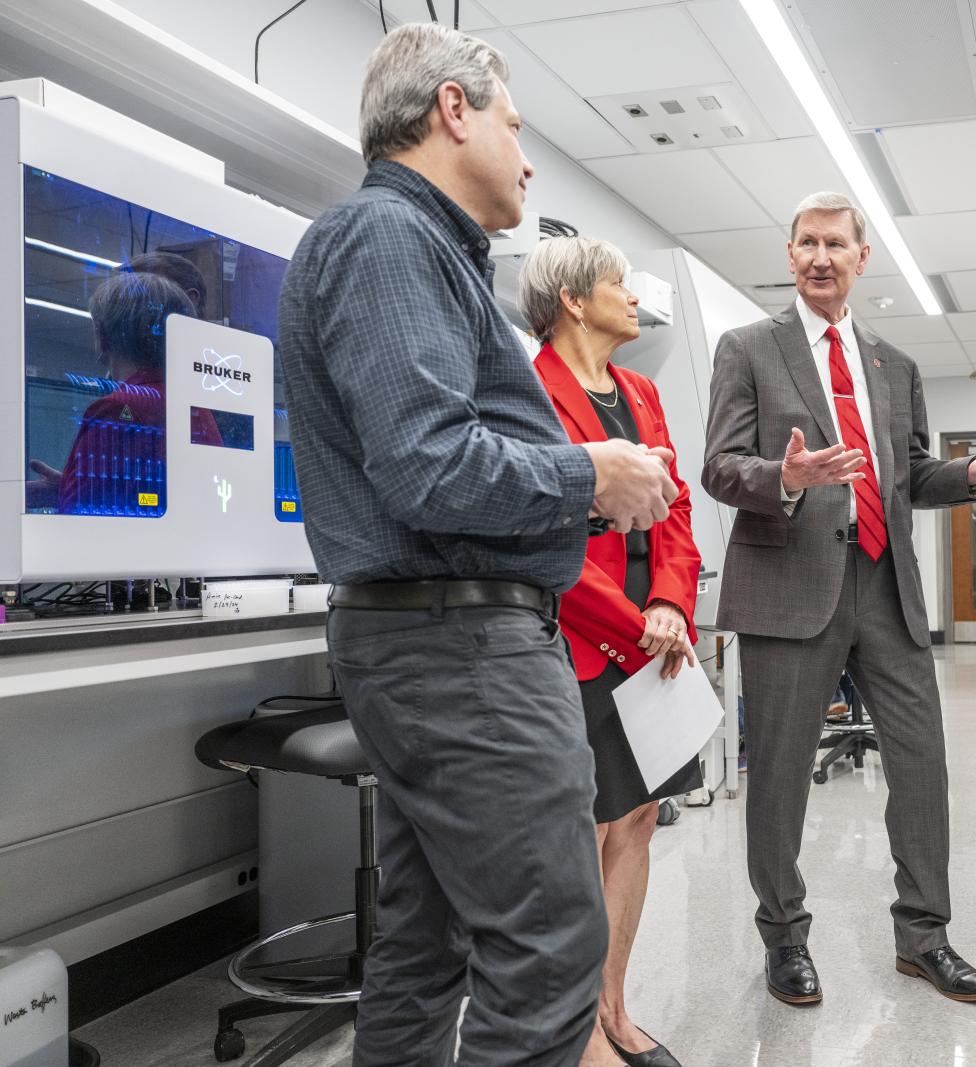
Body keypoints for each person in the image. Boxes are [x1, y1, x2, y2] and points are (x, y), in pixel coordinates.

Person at [276, 24, 679, 1066]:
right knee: (549, 947)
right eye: (514, 122)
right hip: (459, 648)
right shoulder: (386, 241)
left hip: (439, 644)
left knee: (424, 941)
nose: (528, 153)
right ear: (452, 109)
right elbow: (427, 465)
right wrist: (595, 473)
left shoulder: (423, 257)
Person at [702, 190, 976, 1006]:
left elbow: (912, 475)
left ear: (862, 258)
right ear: (790, 256)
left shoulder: (895, 365)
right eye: (806, 242)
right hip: (790, 584)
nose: (821, 257)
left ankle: (924, 937)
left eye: (835, 244)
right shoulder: (747, 347)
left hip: (887, 585)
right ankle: (784, 938)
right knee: (779, 774)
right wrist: (784, 475)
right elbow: (718, 466)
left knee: (922, 765)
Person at [522, 236, 699, 1067]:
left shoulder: (643, 392)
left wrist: (670, 599)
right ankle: (580, 1032)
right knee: (587, 834)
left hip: (652, 641)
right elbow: (545, 545)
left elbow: (676, 514)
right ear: (570, 299)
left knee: (637, 820)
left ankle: (617, 1008)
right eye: (618, 284)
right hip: (582, 645)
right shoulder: (529, 392)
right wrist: (639, 626)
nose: (634, 297)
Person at [25, 270, 216, 514]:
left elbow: (79, 521)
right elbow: (150, 496)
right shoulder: (196, 407)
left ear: (102, 335)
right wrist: (66, 488)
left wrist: (71, 495)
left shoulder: (115, 409)